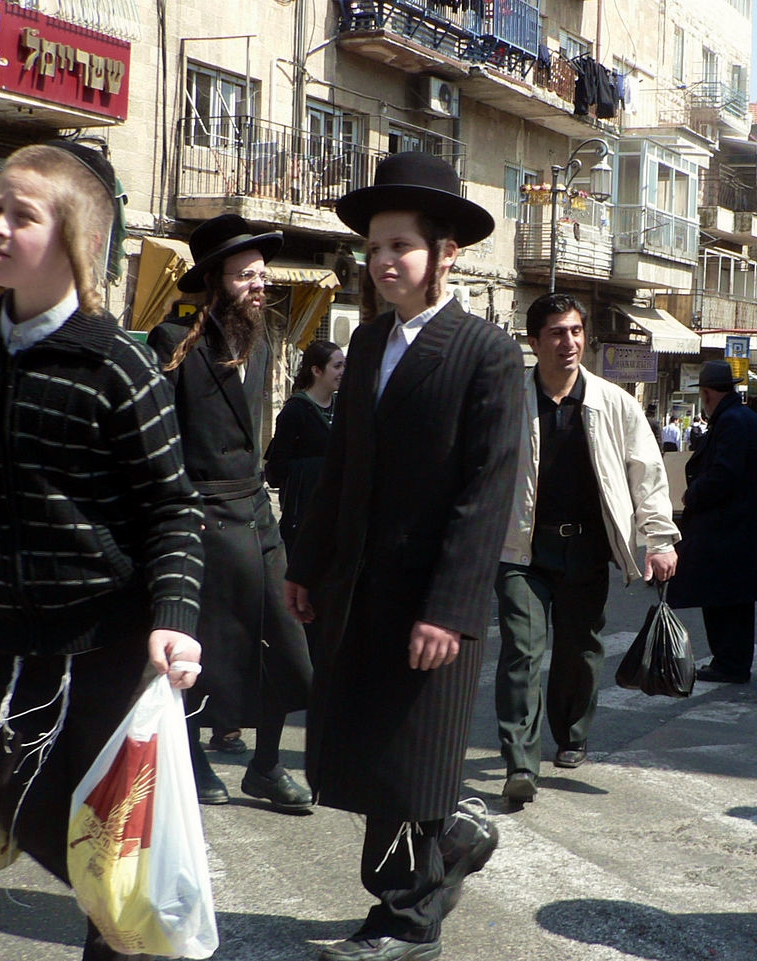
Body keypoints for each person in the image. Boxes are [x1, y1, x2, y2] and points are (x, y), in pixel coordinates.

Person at [0, 141, 205, 961]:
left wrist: (174, 617)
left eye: (23, 215)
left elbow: (173, 506)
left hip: (109, 638)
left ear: (76, 238)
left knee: (110, 844)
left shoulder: (119, 363)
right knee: (10, 806)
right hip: (9, 635)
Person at [284, 151, 523, 961]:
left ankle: (405, 923)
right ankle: (452, 839)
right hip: (361, 591)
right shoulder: (368, 343)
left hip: (432, 603)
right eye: (375, 247)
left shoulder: (485, 352)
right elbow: (342, 468)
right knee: (368, 755)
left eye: (402, 247)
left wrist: (450, 610)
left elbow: (485, 494)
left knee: (410, 761)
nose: (385, 261)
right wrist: (305, 566)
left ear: (444, 251)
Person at [148, 214, 313, 813]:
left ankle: (267, 766)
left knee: (286, 643)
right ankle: (192, 759)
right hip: (203, 514)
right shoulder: (172, 342)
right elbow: (163, 444)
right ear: (215, 281)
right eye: (246, 275)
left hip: (256, 512)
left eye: (262, 275)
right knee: (207, 648)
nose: (259, 286)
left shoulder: (263, 341)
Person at [494, 292, 679, 804]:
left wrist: (660, 538)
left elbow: (647, 472)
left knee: (580, 650)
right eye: (556, 332)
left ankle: (571, 734)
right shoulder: (509, 398)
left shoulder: (612, 402)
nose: (568, 342)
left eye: (575, 331)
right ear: (534, 342)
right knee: (521, 654)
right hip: (521, 548)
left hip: (587, 548)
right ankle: (519, 761)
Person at [667, 360, 757, 684]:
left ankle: (728, 663)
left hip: (727, 528)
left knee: (720, 599)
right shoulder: (748, 418)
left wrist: (693, 494)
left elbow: (724, 473)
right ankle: (734, 662)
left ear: (706, 393)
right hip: (744, 527)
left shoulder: (729, 421)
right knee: (737, 602)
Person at [265, 339, 345, 553]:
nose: (342, 372)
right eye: (336, 366)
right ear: (317, 370)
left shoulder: (344, 408)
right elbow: (277, 468)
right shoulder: (295, 411)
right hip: (302, 516)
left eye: (343, 366)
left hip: (335, 511)